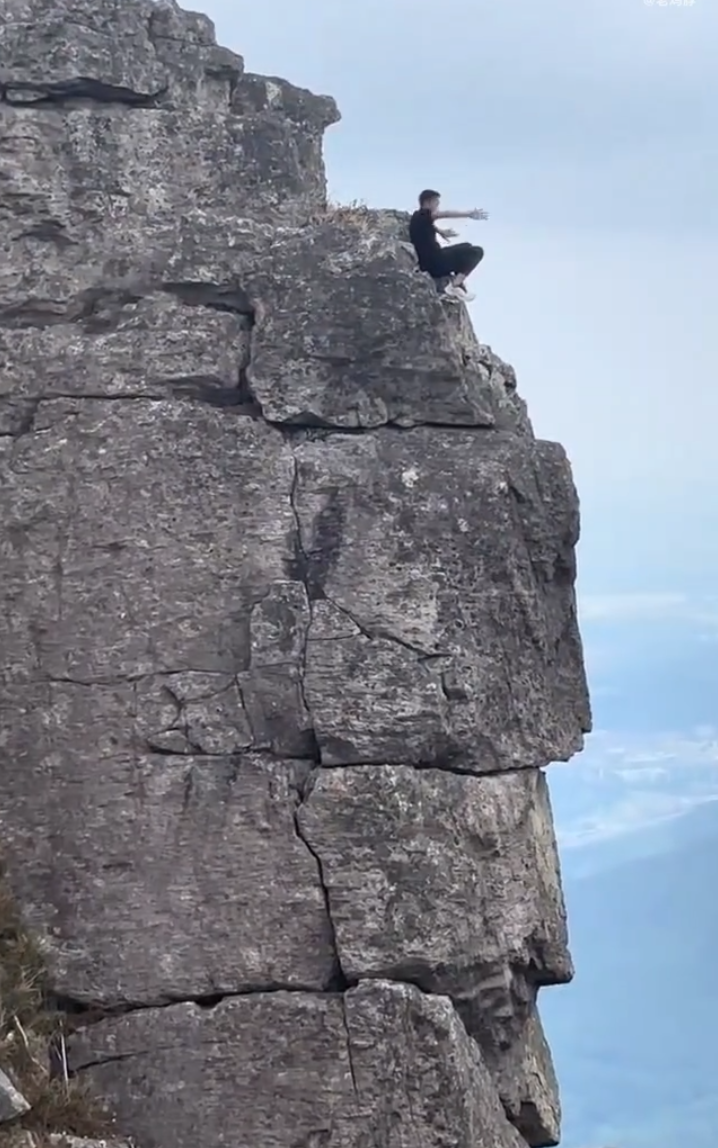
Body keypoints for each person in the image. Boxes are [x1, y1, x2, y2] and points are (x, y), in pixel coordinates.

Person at [408, 189, 488, 302]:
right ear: (428, 202)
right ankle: (454, 286)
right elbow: (446, 214)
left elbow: (426, 227)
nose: (438, 204)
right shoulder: (425, 214)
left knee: (466, 245)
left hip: (430, 261)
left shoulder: (417, 217)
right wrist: (468, 214)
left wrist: (440, 231)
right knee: (477, 251)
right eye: (436, 201)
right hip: (435, 263)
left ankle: (457, 282)